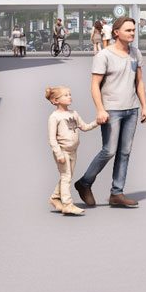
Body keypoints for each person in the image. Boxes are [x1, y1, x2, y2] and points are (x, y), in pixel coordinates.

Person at [74, 17, 146, 209]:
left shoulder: (136, 53)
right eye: (128, 30)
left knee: (125, 152)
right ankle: (84, 183)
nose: (132, 33)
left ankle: (117, 193)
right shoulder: (104, 56)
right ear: (116, 32)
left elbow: (139, 82)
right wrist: (100, 109)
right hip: (111, 110)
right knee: (109, 150)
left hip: (131, 109)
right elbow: (94, 85)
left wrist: (144, 106)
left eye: (133, 30)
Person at [45, 85, 93, 216]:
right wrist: (58, 153)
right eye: (66, 95)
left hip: (73, 152)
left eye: (70, 94)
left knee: (67, 176)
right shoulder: (54, 117)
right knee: (66, 177)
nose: (70, 97)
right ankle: (67, 204)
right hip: (63, 152)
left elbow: (84, 127)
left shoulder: (74, 113)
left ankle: (55, 198)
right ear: (56, 100)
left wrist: (97, 122)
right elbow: (52, 139)